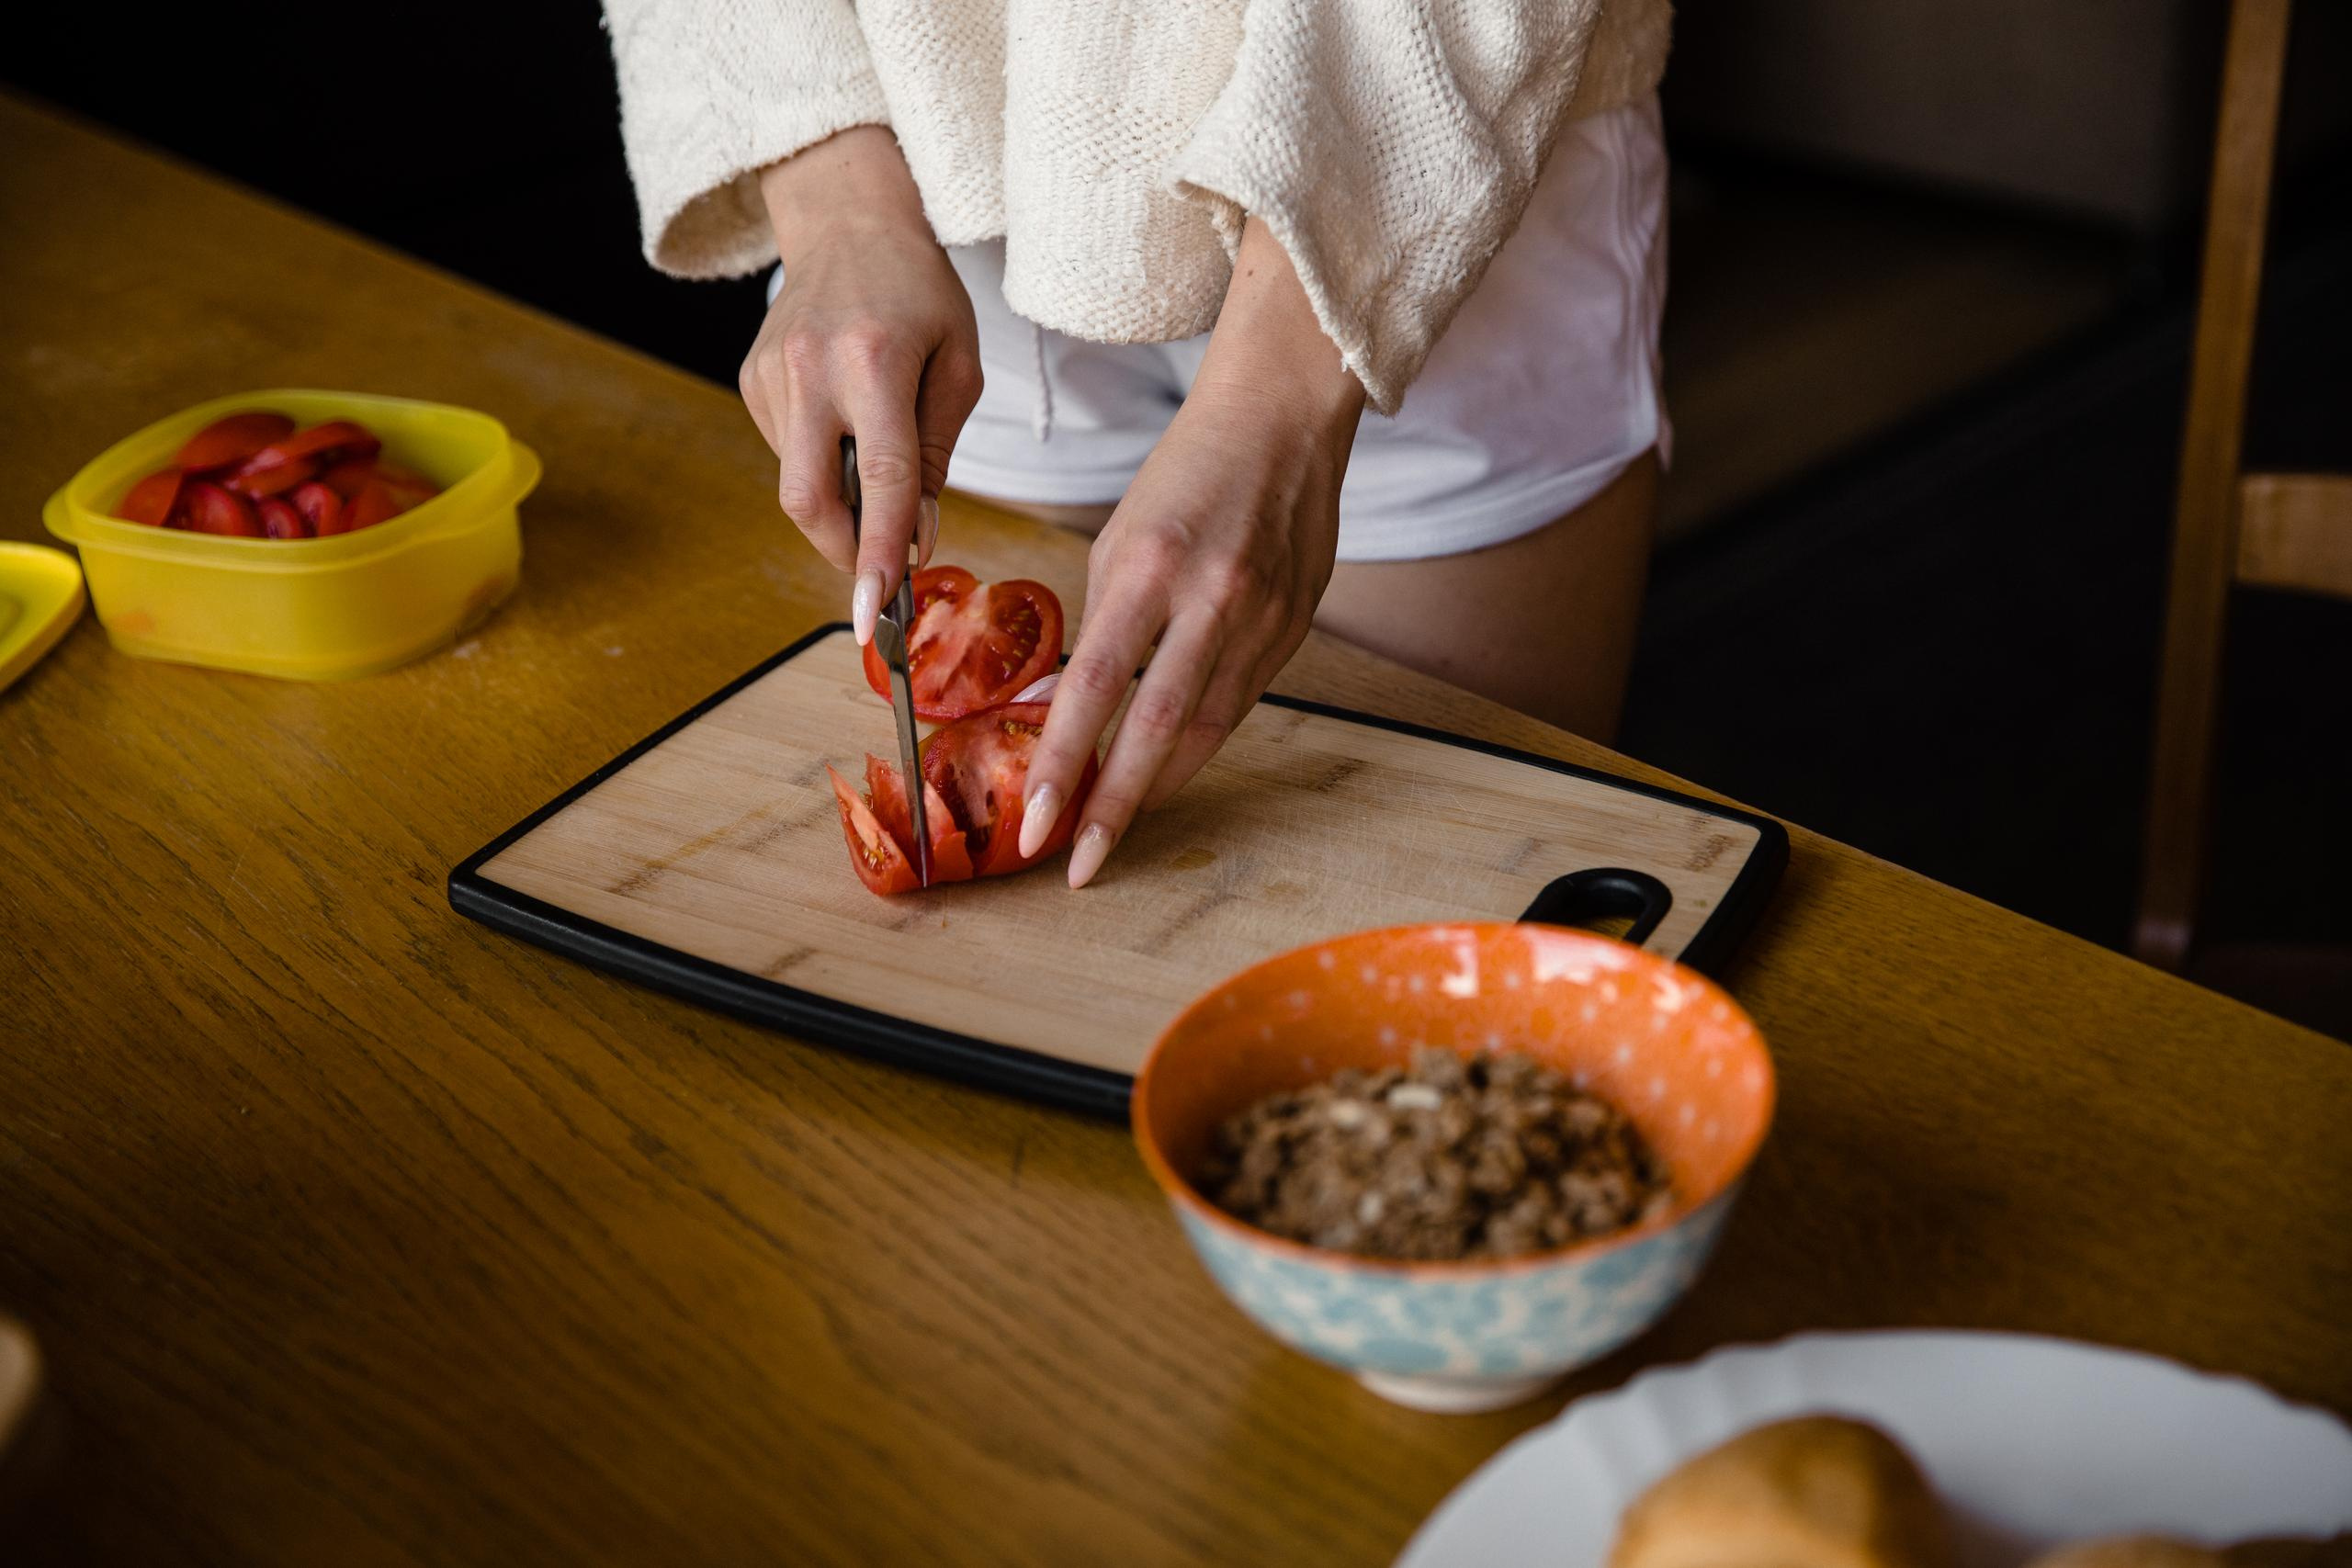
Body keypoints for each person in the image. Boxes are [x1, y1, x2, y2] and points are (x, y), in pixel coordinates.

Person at [607, 0, 1674, 888]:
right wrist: (833, 200)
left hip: (1417, 169)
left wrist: (1285, 389)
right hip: (917, 191)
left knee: (1457, 866)